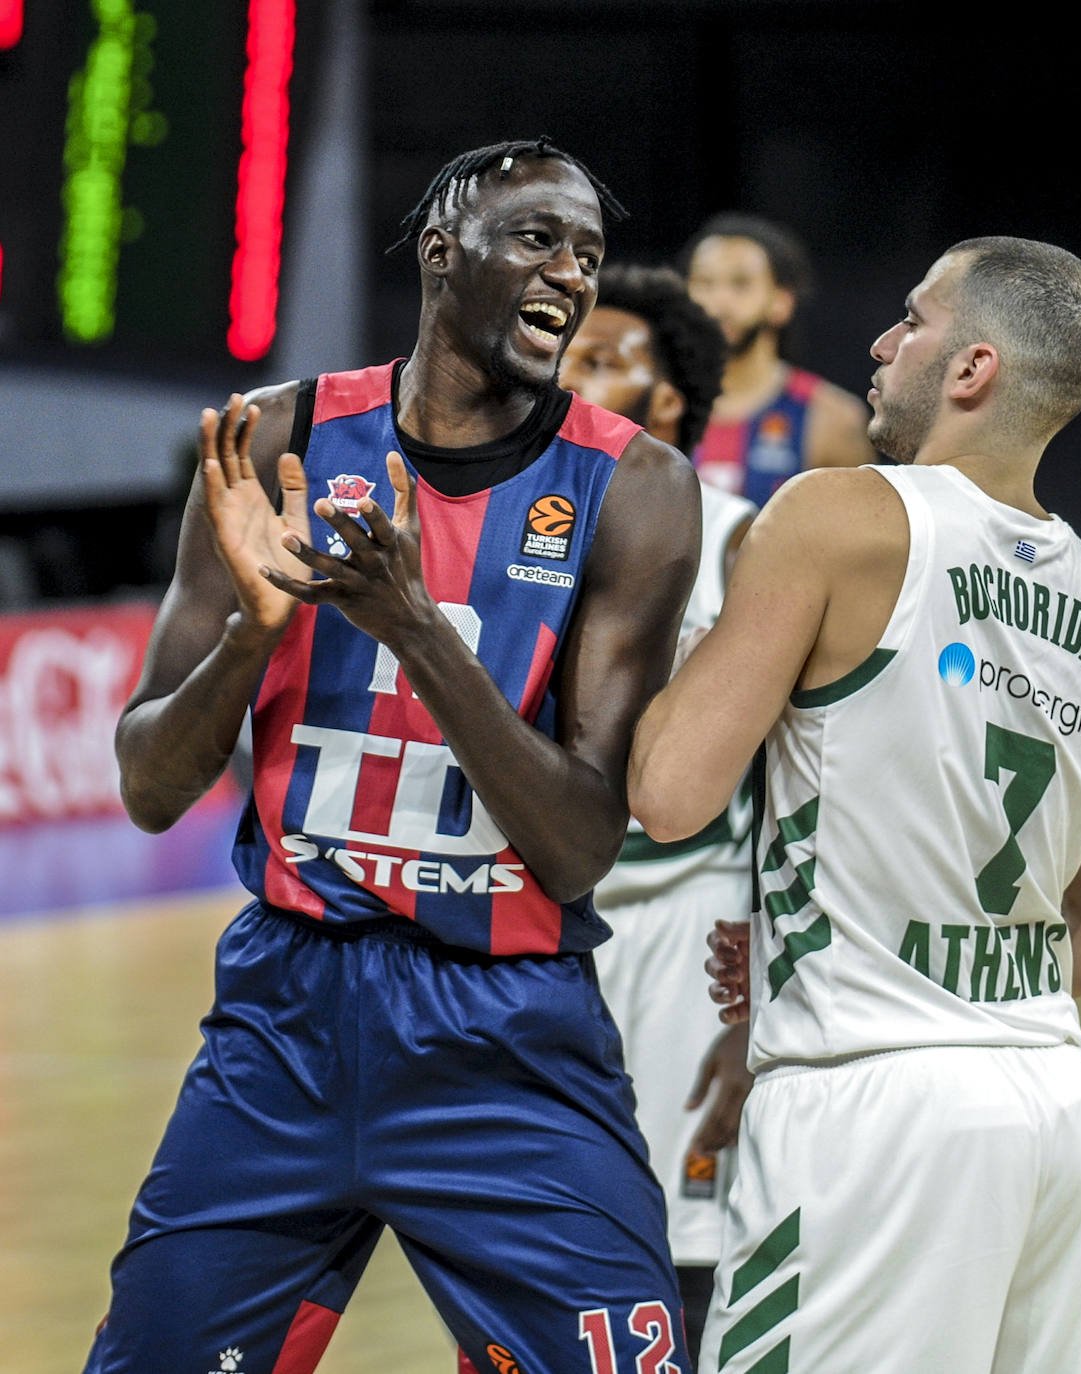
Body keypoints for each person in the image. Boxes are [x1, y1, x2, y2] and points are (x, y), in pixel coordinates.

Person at [88, 138, 702, 1374]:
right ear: (442, 251)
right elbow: (151, 786)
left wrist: (414, 626)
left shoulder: (632, 488)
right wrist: (251, 643)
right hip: (286, 1016)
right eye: (538, 239)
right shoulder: (278, 440)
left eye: (586, 255)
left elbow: (580, 845)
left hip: (505, 1037)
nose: (570, 275)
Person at [629, 236, 1081, 1373]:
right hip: (1057, 1113)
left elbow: (669, 794)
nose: (879, 343)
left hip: (869, 1109)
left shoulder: (835, 518)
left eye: (911, 320)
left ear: (970, 369)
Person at [559, 263, 757, 1366]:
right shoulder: (521, 524)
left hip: (693, 924)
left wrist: (758, 976)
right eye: (566, 353)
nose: (568, 372)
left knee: (687, 1253)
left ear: (670, 397)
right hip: (551, 931)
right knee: (559, 1250)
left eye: (600, 358)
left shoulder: (743, 541)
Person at [682, 213, 874, 506]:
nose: (718, 301)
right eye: (704, 282)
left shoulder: (833, 419)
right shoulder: (656, 405)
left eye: (740, 283)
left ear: (781, 302)